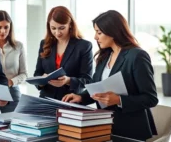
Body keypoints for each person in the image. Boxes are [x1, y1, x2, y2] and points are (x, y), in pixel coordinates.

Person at [62, 10, 158, 141]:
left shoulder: (137, 56)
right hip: (105, 126)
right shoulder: (104, 56)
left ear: (113, 32)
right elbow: (97, 89)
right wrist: (80, 97)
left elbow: (151, 98)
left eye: (99, 32)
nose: (95, 37)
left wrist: (119, 100)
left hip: (131, 129)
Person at [33, 6, 93, 100]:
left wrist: (68, 80)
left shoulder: (84, 46)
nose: (57, 33)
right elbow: (37, 73)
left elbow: (88, 80)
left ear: (70, 25)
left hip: (69, 101)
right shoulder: (44, 44)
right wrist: (41, 81)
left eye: (61, 28)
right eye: (53, 28)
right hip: (45, 100)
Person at [0, 10, 27, 113]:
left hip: (13, 92)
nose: (3, 31)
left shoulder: (18, 46)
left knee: (14, 125)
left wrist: (11, 82)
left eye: (6, 27)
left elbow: (24, 74)